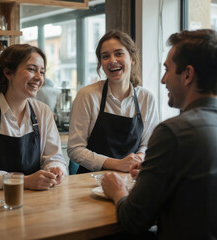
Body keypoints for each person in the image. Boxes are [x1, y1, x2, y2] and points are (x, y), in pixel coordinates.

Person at [101, 29, 217, 239]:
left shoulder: (172, 132)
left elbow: (133, 220)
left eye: (167, 70)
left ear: (187, 75)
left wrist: (117, 190)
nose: (163, 80)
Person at [0, 44, 67, 190]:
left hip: (38, 198)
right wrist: (24, 181)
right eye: (31, 69)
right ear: (8, 72)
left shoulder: (42, 111)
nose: (39, 77)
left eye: (42, 72)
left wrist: (55, 169)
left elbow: (54, 157)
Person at [67, 30, 159, 174]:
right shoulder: (87, 95)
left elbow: (148, 144)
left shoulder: (146, 98)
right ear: (101, 63)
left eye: (119, 53)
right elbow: (75, 149)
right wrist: (117, 164)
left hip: (131, 176)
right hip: (89, 181)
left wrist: (138, 159)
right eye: (105, 56)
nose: (112, 60)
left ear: (132, 58)